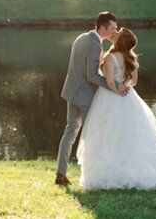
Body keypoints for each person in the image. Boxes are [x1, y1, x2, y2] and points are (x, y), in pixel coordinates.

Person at [77, 27, 156, 190]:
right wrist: (125, 87)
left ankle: (111, 172)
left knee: (108, 132)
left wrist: (117, 90)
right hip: (128, 97)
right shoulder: (131, 58)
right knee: (131, 132)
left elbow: (109, 82)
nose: (114, 33)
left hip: (110, 96)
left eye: (118, 33)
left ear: (120, 41)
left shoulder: (110, 57)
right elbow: (134, 81)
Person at [55, 12, 129, 186]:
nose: (115, 31)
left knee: (70, 132)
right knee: (92, 136)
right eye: (112, 28)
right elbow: (92, 76)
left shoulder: (82, 38)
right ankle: (94, 177)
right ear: (102, 28)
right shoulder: (95, 45)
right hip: (85, 97)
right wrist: (115, 85)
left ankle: (61, 173)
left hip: (71, 93)